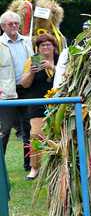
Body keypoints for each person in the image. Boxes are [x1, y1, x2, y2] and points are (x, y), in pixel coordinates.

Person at [19, 34, 65, 180]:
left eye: (48, 45)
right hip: (37, 102)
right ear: (37, 48)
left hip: (59, 102)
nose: (45, 47)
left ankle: (60, 167)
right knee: (36, 135)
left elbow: (68, 77)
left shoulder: (61, 60)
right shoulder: (34, 60)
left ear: (54, 47)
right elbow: (24, 84)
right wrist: (31, 73)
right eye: (42, 45)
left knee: (60, 135)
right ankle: (34, 168)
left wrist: (53, 67)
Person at [0, 11, 33, 162]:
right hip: (7, 93)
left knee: (29, 129)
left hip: (27, 89)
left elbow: (35, 61)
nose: (14, 26)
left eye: (16, 23)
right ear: (2, 26)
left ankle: (30, 165)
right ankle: (1, 166)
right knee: (5, 130)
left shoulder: (27, 41)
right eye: (10, 24)